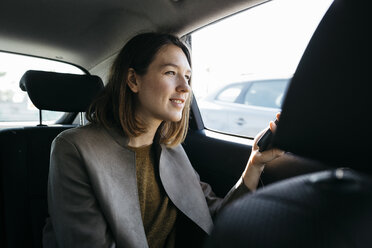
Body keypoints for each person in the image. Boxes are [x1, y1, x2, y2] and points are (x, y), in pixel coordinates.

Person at [42, 32, 283, 248]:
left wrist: (255, 164)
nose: (185, 88)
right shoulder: (73, 148)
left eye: (187, 77)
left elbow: (214, 217)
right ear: (133, 80)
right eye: (171, 73)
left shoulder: (171, 149)